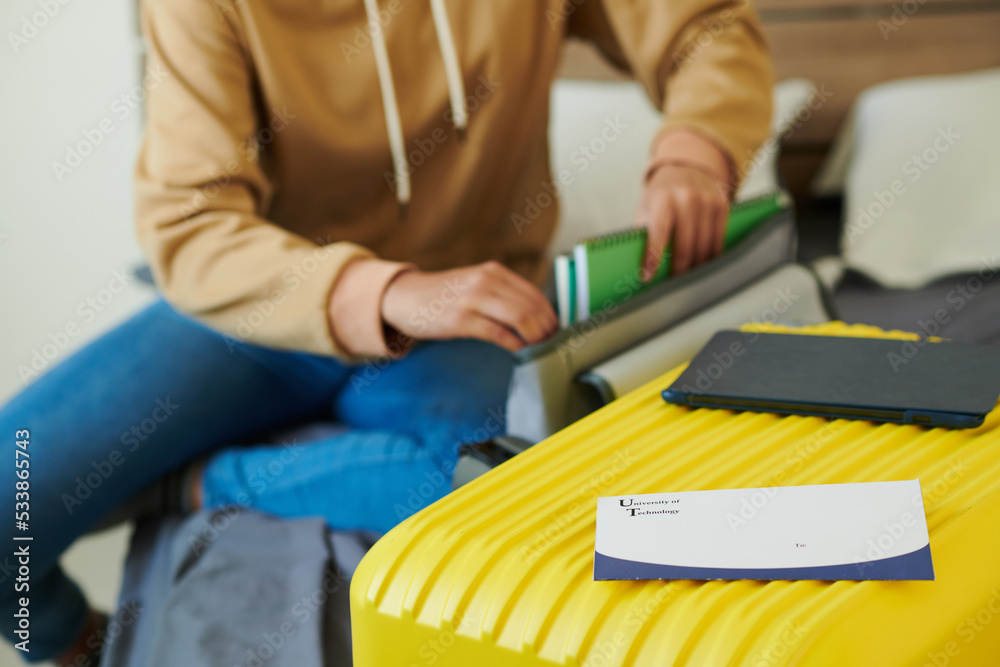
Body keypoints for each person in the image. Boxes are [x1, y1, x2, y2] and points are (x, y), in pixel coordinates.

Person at [0, 0, 772, 663]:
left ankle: (201, 480)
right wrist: (387, 291)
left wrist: (695, 152)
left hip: (475, 311)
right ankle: (84, 647)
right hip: (260, 308)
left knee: (514, 499)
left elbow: (703, 25)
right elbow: (189, 220)